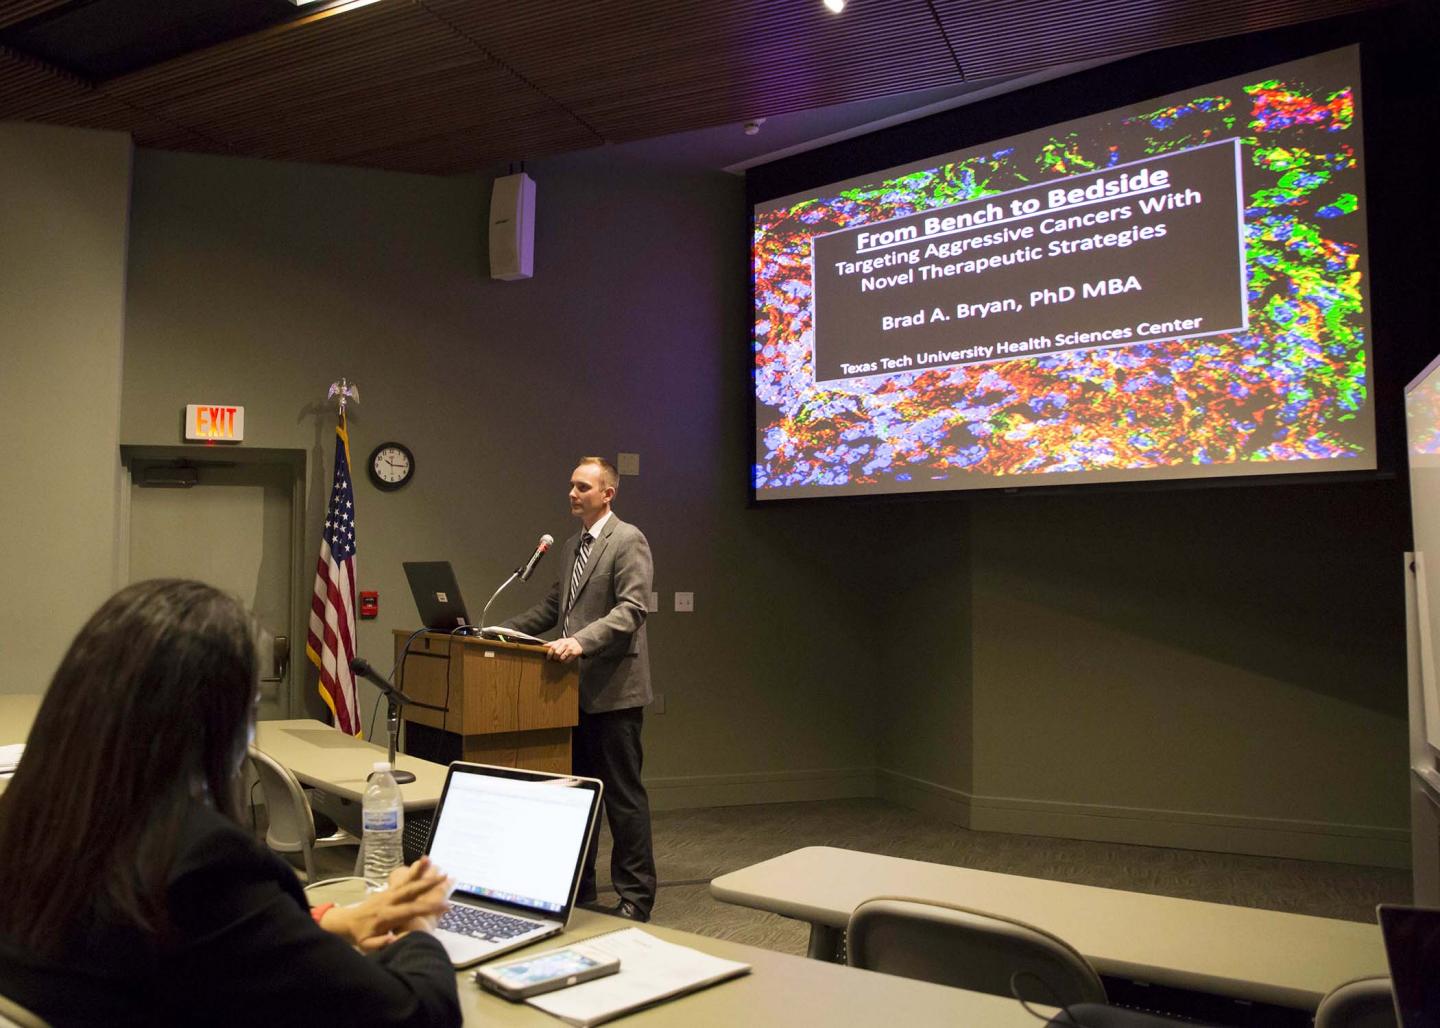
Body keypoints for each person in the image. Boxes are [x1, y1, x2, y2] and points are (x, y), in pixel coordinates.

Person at [0, 579, 461, 1027]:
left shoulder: (33, 822)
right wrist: (418, 930)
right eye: (252, 706)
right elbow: (417, 1014)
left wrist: (339, 921)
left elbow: (203, 947)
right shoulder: (202, 864)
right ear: (215, 721)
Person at [504, 456, 657, 921]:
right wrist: (496, 631)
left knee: (621, 799)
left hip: (614, 692)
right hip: (571, 693)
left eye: (583, 487)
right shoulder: (573, 545)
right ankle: (582, 888)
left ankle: (635, 896)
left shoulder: (628, 539)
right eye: (571, 485)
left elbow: (632, 609)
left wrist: (580, 641)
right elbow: (555, 607)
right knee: (578, 795)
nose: (573, 493)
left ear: (607, 493)